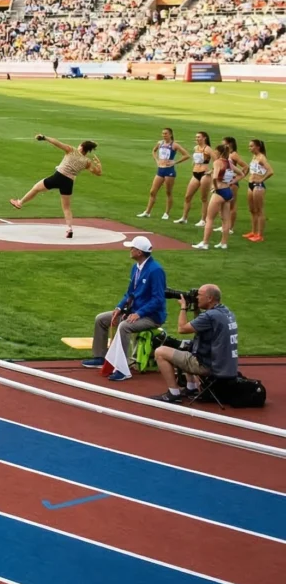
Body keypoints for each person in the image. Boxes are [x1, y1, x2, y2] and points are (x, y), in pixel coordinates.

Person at [84, 235, 166, 381]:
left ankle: (123, 368)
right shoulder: (136, 268)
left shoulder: (155, 271)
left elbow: (158, 299)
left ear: (139, 252)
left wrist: (139, 313)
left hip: (151, 317)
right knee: (101, 319)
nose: (130, 250)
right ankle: (100, 357)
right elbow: (130, 293)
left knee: (124, 326)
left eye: (132, 248)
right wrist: (120, 307)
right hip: (134, 312)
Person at [153, 285, 237, 403]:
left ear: (210, 298)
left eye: (199, 295)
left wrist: (183, 308)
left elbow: (182, 329)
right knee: (187, 345)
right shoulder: (226, 312)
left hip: (209, 366)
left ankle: (173, 393)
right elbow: (200, 326)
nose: (196, 298)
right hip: (225, 365)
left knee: (160, 352)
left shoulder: (210, 316)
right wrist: (196, 309)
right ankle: (191, 388)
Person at [9, 135, 103, 238]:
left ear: (81, 146)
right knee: (66, 208)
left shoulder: (72, 150)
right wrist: (99, 165)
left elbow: (57, 143)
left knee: (36, 188)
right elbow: (98, 173)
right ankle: (69, 229)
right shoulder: (87, 162)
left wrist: (45, 137)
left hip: (58, 177)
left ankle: (20, 202)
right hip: (69, 182)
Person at [194, 142, 239, 251]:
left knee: (209, 218)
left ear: (219, 152)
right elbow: (241, 173)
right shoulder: (229, 162)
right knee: (225, 219)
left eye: (215, 151)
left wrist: (215, 188)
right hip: (228, 191)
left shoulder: (218, 162)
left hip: (219, 192)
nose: (214, 152)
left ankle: (205, 243)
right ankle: (223, 243)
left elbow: (214, 177)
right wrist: (232, 182)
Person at [139, 128, 182, 220]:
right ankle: (147, 212)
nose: (164, 135)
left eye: (166, 134)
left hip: (169, 170)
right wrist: (157, 160)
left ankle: (166, 213)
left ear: (170, 135)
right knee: (152, 191)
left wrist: (175, 162)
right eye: (163, 133)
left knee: (168, 192)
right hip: (160, 170)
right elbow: (154, 151)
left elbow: (186, 155)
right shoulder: (160, 143)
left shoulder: (174, 145)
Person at [175, 131, 214, 226]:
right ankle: (184, 218)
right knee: (188, 196)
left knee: (204, 198)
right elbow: (196, 158)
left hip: (204, 174)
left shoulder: (208, 149)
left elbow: (217, 161)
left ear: (204, 138)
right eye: (196, 137)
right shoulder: (196, 148)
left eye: (199, 137)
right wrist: (194, 161)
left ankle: (203, 220)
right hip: (195, 174)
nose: (197, 139)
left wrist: (211, 171)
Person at [244, 139, 272, 242]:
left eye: (251, 146)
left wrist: (261, 179)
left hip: (258, 186)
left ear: (258, 147)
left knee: (259, 210)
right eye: (249, 146)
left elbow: (270, 171)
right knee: (252, 210)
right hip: (251, 184)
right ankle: (253, 232)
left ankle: (260, 235)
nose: (249, 148)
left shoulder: (261, 158)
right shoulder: (254, 157)